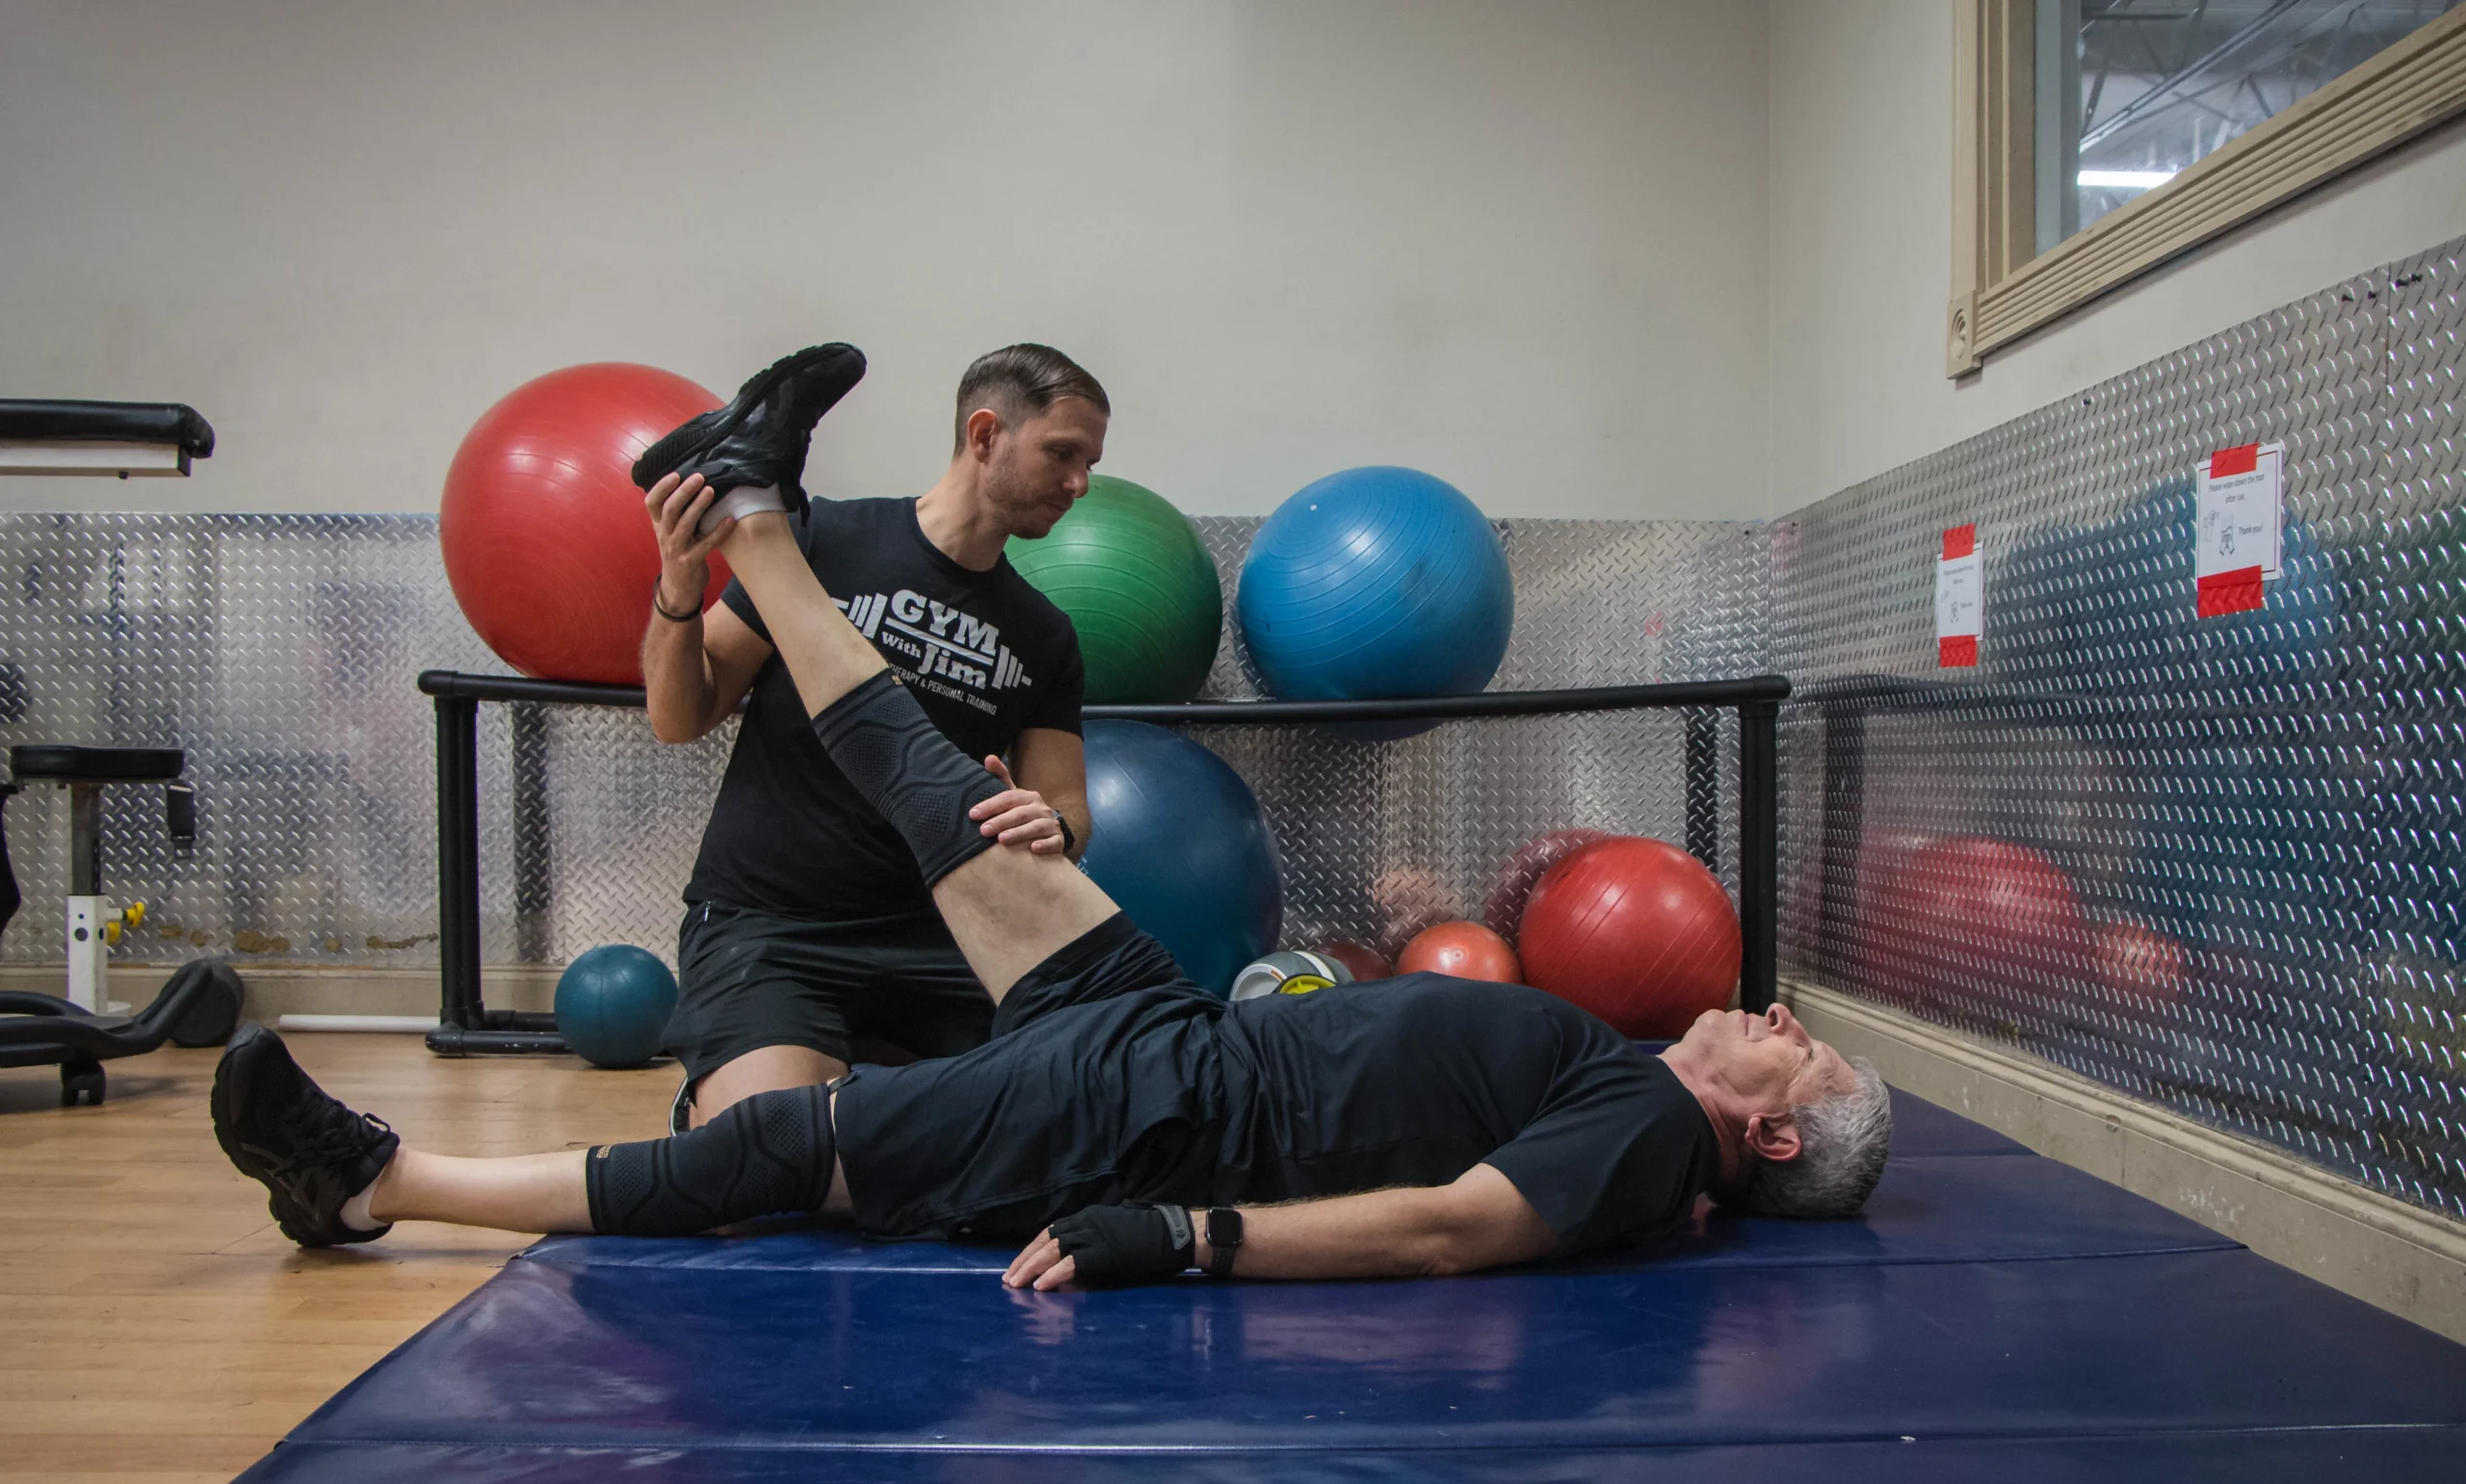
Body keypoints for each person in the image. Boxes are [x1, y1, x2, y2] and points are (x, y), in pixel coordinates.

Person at [210, 348, 1892, 1289]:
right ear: (983, 433)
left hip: (1143, 1127)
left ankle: (373, 1185)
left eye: (1793, 1059)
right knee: (924, 781)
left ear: (1773, 1137)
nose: (1771, 1016)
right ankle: (749, 506)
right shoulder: (1644, 1104)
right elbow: (688, 707)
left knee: (775, 1161)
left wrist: (1185, 1236)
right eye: (1790, 1031)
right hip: (1156, 1029)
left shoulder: (1650, 1140)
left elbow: (1450, 1228)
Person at [642, 341, 1107, 1134]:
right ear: (985, 433)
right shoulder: (826, 541)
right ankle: (729, 1105)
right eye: (1062, 454)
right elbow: (682, 715)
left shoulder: (1044, 633)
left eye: (1089, 462)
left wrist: (1051, 824)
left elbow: (1067, 804)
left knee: (1068, 1125)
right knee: (776, 1144)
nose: (1080, 484)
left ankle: (742, 489)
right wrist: (679, 592)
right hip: (773, 927)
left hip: (941, 944)